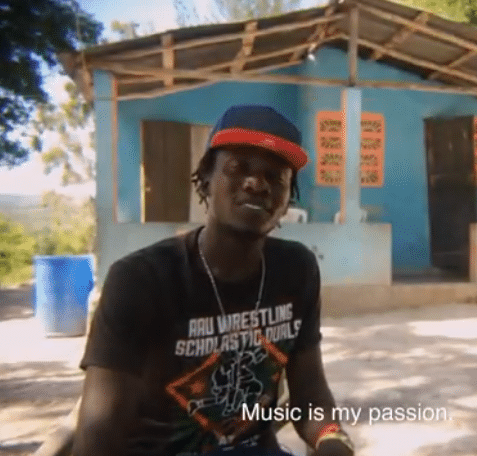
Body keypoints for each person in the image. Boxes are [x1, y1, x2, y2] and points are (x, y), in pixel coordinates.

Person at [74, 105, 354, 456]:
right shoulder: (141, 280)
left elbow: (309, 390)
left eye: (275, 177)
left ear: (286, 201)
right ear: (205, 179)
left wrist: (331, 438)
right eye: (237, 168)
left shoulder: (297, 270)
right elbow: (101, 432)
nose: (257, 184)